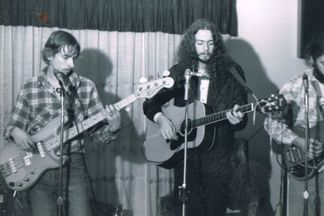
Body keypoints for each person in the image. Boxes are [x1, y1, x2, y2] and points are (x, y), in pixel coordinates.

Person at [3, 30, 121, 216]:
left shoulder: (85, 87)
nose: (71, 64)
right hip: (37, 168)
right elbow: (13, 126)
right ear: (50, 55)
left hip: (73, 163)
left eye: (74, 58)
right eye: (66, 57)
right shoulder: (30, 87)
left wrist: (113, 127)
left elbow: (97, 135)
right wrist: (15, 131)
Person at [143, 18, 248, 216]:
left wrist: (238, 119)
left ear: (216, 44)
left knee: (215, 209)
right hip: (185, 155)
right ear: (192, 44)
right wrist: (162, 120)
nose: (205, 48)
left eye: (210, 43)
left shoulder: (232, 73)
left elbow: (240, 119)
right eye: (200, 43)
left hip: (218, 156)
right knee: (188, 209)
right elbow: (150, 102)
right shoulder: (180, 72)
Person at [264, 32, 324, 216]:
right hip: (301, 166)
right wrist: (299, 141)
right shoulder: (296, 85)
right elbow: (271, 124)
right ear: (312, 60)